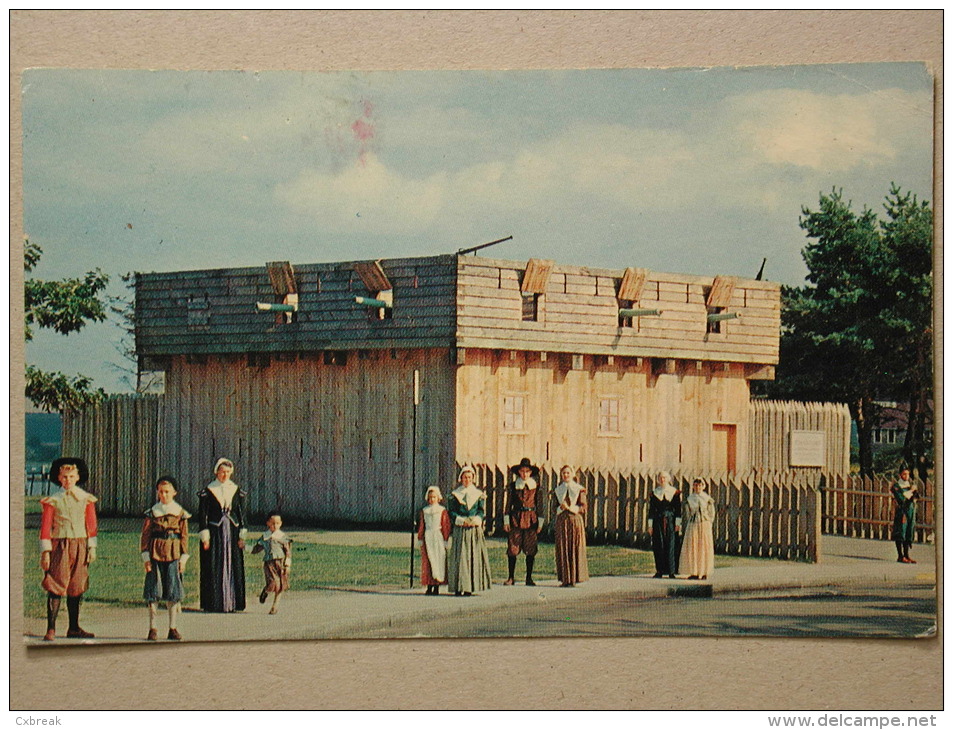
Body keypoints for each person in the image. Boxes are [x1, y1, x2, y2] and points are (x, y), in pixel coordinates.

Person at [39, 457, 98, 641]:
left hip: (80, 544)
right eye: (64, 477)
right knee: (56, 584)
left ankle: (73, 627)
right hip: (60, 545)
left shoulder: (85, 498)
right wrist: (46, 552)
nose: (68, 480)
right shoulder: (53, 501)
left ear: (78, 477)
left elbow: (91, 524)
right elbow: (46, 527)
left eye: (71, 476)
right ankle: (51, 628)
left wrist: (92, 547)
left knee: (76, 585)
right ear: (58, 477)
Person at [140, 476, 190, 640]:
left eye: (167, 492)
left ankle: (172, 627)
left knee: (173, 590)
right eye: (161, 492)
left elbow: (184, 537)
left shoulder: (180, 513)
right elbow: (145, 536)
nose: (164, 495)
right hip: (155, 553)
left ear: (174, 493)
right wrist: (146, 558)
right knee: (154, 589)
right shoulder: (153, 512)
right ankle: (153, 627)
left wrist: (183, 559)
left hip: (173, 553)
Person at [197, 458, 248, 612]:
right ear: (216, 472)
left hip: (232, 532)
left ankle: (233, 601)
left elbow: (242, 514)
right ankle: (214, 602)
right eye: (222, 472)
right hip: (215, 532)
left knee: (234, 563)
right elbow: (202, 515)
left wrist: (242, 534)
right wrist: (205, 536)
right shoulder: (208, 490)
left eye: (227, 472)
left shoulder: (235, 489)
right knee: (213, 563)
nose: (224, 475)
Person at [447, 465, 492, 596]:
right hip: (461, 529)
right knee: (460, 556)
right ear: (460, 478)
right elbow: (452, 512)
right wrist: (462, 520)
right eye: (464, 477)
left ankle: (469, 587)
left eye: (469, 477)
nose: (467, 480)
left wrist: (476, 520)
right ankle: (458, 586)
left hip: (474, 530)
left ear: (473, 479)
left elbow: (481, 511)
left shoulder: (478, 495)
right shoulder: (455, 495)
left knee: (473, 556)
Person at [503, 457, 544, 586]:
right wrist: (506, 520)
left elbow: (540, 505)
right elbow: (508, 504)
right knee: (513, 547)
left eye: (527, 471)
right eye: (522, 471)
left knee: (530, 547)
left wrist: (540, 522)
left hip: (531, 518)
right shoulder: (513, 486)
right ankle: (511, 577)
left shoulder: (536, 487)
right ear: (518, 472)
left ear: (531, 472)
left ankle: (529, 577)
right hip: (516, 517)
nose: (524, 473)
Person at [554, 465, 589, 587]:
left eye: (568, 473)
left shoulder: (579, 489)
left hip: (574, 521)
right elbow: (555, 507)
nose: (566, 475)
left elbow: (583, 507)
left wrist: (571, 508)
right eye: (563, 473)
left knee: (574, 547)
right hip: (562, 521)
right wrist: (561, 508)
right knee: (563, 548)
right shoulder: (558, 490)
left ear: (572, 474)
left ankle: (574, 578)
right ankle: (565, 579)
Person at [251, 512, 292, 614]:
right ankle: (266, 591)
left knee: (281, 584)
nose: (275, 526)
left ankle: (275, 606)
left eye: (277, 523)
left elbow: (288, 552)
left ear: (281, 523)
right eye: (272, 523)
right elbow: (256, 549)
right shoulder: (265, 537)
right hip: (270, 563)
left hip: (281, 562)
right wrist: (245, 547)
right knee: (273, 583)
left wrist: (287, 564)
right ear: (268, 523)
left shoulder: (283, 537)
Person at [416, 486, 452, 595]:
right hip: (428, 536)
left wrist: (445, 539)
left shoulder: (442, 511)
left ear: (438, 498)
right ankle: (429, 585)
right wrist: (420, 538)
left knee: (438, 559)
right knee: (428, 561)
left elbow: (445, 525)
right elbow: (422, 525)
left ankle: (437, 585)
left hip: (438, 536)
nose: (432, 499)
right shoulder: (425, 511)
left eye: (434, 497)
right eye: (430, 497)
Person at [678, 478, 715, 580]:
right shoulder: (690, 499)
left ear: (703, 486)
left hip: (704, 524)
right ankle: (694, 571)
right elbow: (687, 512)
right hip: (693, 524)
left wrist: (708, 522)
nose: (697, 487)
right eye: (695, 485)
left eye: (699, 485)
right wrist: (692, 519)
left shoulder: (707, 499)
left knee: (703, 547)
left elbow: (711, 513)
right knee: (693, 547)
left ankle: (703, 572)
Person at [648, 470, 681, 578]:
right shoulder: (655, 493)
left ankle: (671, 571)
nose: (663, 480)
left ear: (668, 479)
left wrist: (677, 524)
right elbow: (651, 510)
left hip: (670, 521)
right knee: (659, 545)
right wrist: (650, 525)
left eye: (665, 478)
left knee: (671, 545)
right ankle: (660, 571)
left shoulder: (674, 493)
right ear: (658, 480)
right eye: (661, 478)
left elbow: (678, 510)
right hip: (658, 522)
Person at [891, 467, 919, 564]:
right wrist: (910, 492)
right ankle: (900, 555)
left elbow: (915, 497)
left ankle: (907, 555)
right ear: (900, 475)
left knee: (908, 531)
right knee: (901, 531)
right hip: (902, 511)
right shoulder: (896, 486)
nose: (906, 476)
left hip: (910, 510)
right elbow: (901, 498)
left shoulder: (909, 485)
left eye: (907, 474)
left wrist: (912, 494)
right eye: (904, 474)